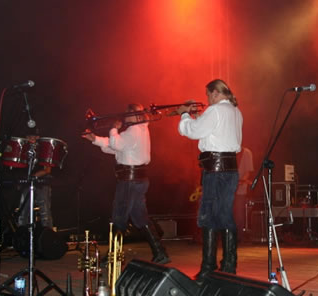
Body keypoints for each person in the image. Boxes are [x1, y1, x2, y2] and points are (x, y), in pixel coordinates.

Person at [83, 103, 169, 264]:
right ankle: (160, 252)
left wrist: (113, 129)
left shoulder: (134, 130)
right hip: (137, 179)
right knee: (140, 217)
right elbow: (117, 148)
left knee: (119, 216)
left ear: (136, 115)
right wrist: (95, 139)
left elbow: (117, 144)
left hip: (130, 180)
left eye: (128, 115)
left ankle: (113, 256)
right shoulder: (140, 130)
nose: (125, 118)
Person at [176, 79, 243, 279]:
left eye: (208, 94)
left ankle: (208, 267)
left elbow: (192, 131)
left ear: (215, 93)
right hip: (230, 170)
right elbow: (212, 131)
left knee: (208, 215)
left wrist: (184, 115)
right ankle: (229, 265)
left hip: (215, 170)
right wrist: (198, 117)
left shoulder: (215, 110)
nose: (207, 98)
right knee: (224, 214)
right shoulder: (235, 111)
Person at [234, 146, 254, 239]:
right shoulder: (228, 150)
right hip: (227, 189)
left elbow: (248, 172)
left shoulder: (246, 153)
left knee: (239, 214)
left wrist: (240, 181)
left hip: (240, 190)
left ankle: (238, 237)